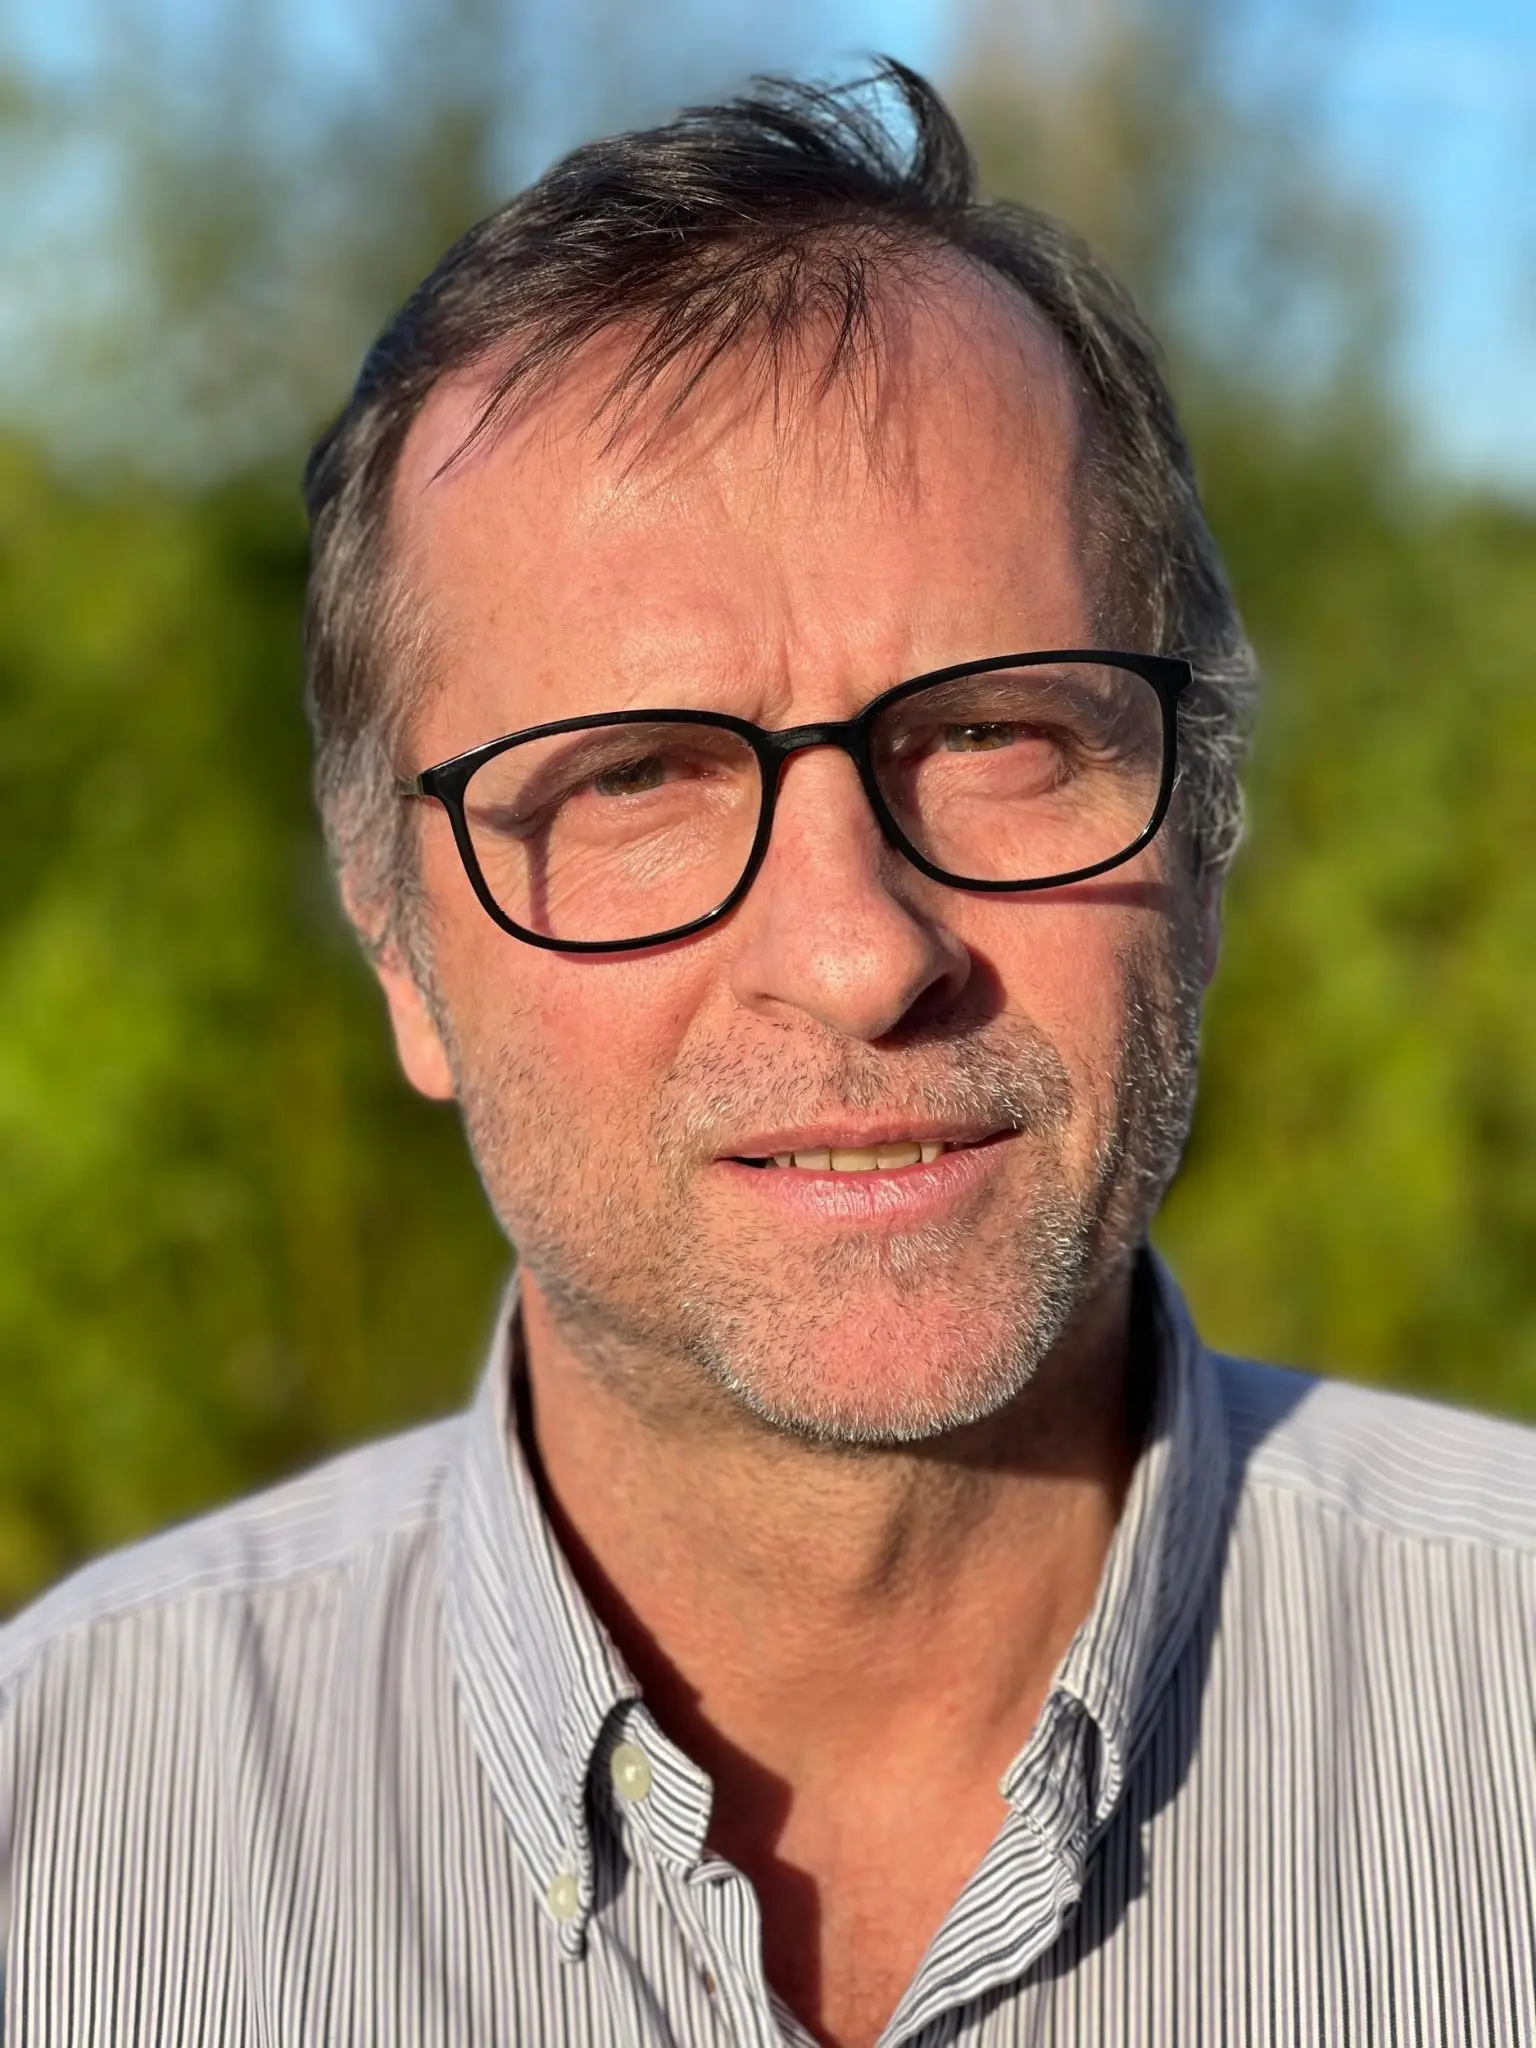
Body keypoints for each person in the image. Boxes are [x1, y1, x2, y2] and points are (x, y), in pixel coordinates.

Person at [2, 60, 1532, 2048]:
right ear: (397, 944)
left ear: (1205, 830)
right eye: (636, 775)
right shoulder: (56, 1843)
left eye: (993, 734)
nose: (857, 950)